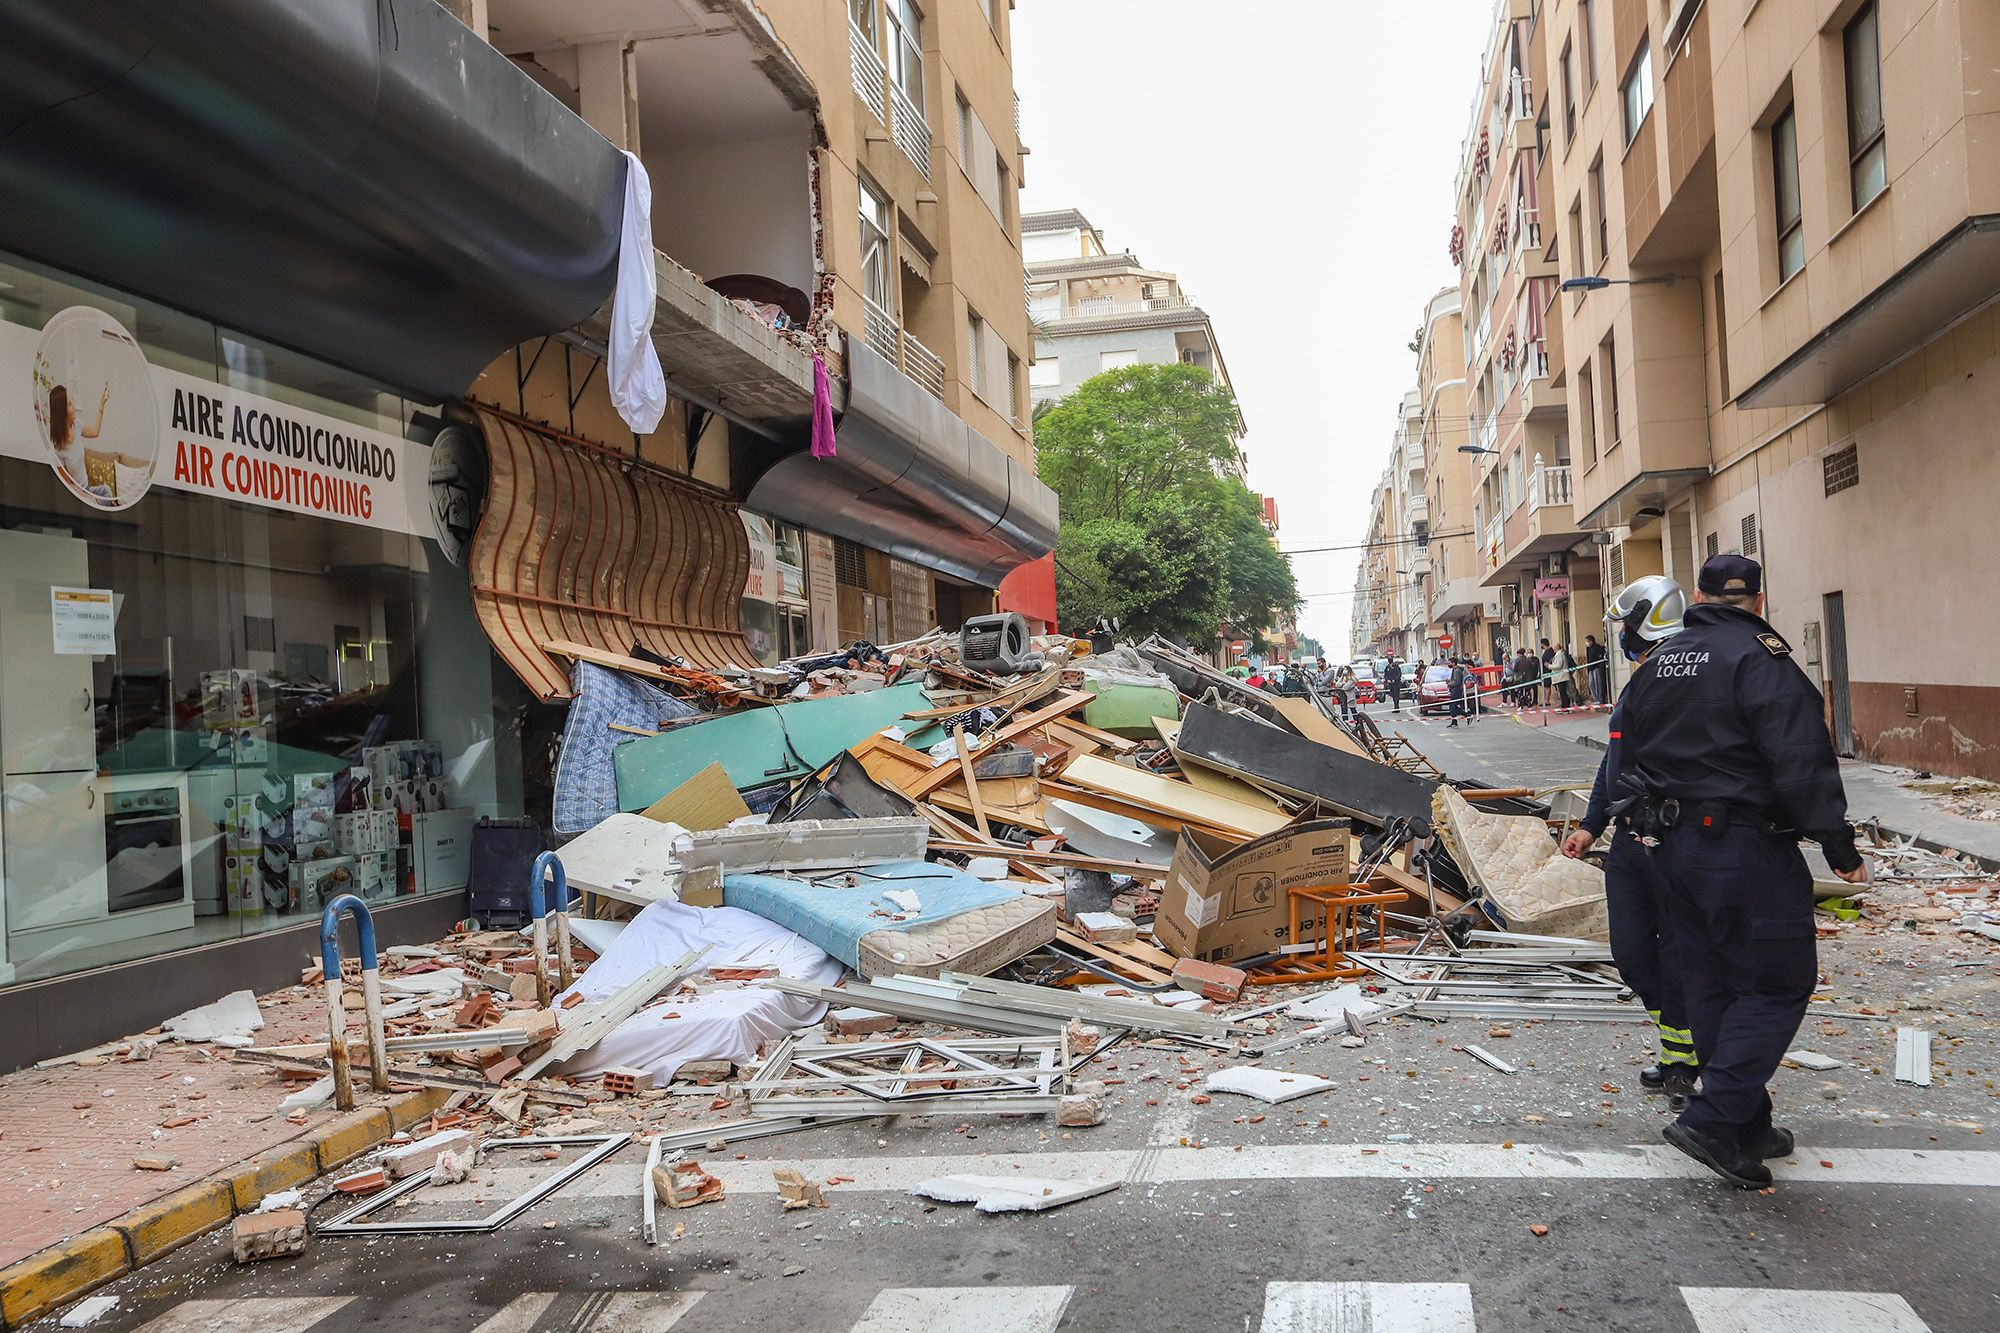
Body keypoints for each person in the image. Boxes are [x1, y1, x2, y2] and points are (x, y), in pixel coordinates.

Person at [1619, 554, 1868, 1189]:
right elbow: (1799, 756)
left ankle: (1749, 1119)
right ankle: (1714, 1116)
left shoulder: (1659, 664)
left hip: (1670, 846)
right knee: (1778, 982)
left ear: (1697, 595)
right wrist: (1838, 846)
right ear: (1760, 600)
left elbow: (1630, 752)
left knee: (1711, 981)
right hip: (1742, 846)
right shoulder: (1761, 657)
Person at [1561, 576, 1700, 1108]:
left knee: (1679, 955)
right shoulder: (1639, 683)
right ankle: (1681, 1051)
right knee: (1633, 953)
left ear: (1650, 619)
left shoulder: (1684, 683)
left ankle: (1682, 1062)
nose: (1622, 637)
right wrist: (1590, 825)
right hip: (1627, 842)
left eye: (1626, 625)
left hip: (1671, 842)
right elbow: (1611, 765)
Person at [1584, 635, 1608, 705]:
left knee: (1598, 684)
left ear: (1591, 641)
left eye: (1587, 641)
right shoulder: (1589, 649)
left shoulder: (1597, 648)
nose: (1586, 643)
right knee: (1591, 684)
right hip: (1591, 668)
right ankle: (1595, 698)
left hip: (1597, 667)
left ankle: (1599, 699)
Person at [1446, 656, 1469, 727]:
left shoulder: (1457, 671)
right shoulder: (1454, 670)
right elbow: (1454, 680)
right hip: (1454, 690)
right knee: (1452, 706)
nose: (1448, 664)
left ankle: (1467, 715)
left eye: (1449, 663)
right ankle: (1454, 721)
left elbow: (1457, 682)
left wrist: (1449, 684)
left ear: (1453, 663)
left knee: (1453, 707)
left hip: (1456, 690)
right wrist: (1450, 681)